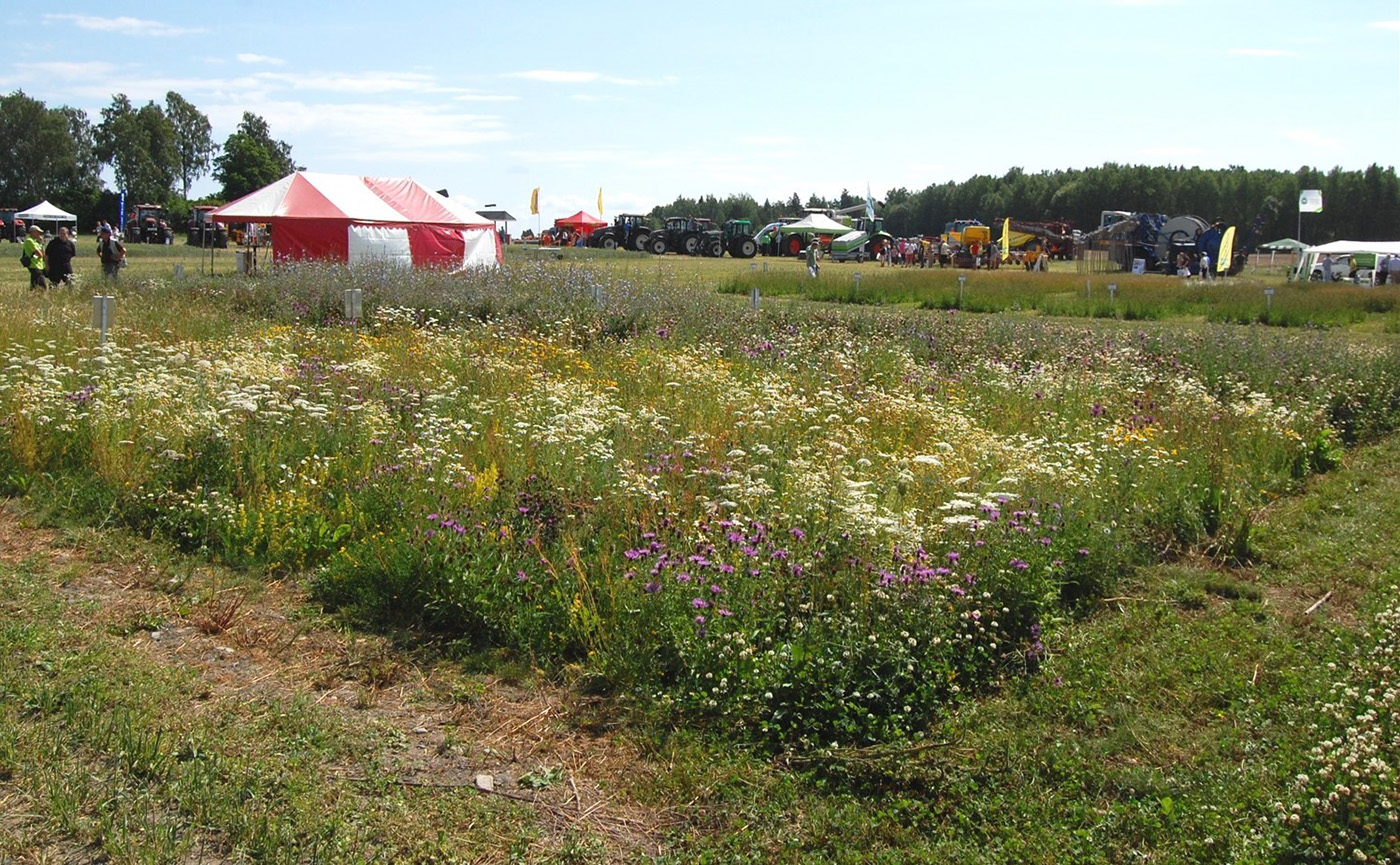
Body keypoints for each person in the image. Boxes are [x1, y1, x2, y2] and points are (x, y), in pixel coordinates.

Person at [21, 225, 47, 290]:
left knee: (34, 283)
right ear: (33, 232)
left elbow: (43, 254)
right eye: (37, 232)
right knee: (43, 284)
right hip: (33, 265)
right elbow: (40, 254)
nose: (39, 234)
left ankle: (32, 294)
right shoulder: (29, 241)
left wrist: (41, 243)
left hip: (39, 265)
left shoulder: (36, 242)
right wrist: (40, 253)